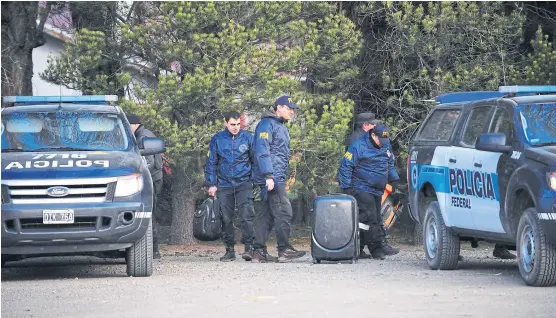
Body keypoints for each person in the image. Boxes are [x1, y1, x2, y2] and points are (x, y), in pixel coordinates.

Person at [251, 96, 307, 263]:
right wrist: (268, 175)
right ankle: (283, 249)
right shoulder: (266, 125)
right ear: (279, 107)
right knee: (284, 211)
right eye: (289, 108)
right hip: (271, 177)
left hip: (276, 176)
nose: (292, 111)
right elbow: (262, 150)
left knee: (267, 215)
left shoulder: (279, 126)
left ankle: (257, 250)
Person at [338, 125, 400, 260]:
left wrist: (394, 180)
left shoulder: (385, 144)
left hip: (377, 189)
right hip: (361, 187)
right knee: (370, 218)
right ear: (373, 135)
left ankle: (358, 248)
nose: (382, 144)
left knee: (375, 219)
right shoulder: (358, 146)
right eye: (380, 141)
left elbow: (389, 164)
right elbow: (345, 167)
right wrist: (347, 188)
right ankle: (376, 250)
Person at [204, 111, 256, 262]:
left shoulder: (248, 138)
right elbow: (211, 162)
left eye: (238, 124)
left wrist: (251, 179)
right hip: (224, 184)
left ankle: (248, 248)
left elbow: (255, 160)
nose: (235, 127)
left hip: (243, 182)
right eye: (232, 124)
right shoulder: (217, 139)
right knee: (226, 218)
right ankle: (229, 250)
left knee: (247, 216)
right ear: (226, 123)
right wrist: (212, 183)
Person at [127, 114, 164, 259]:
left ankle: (154, 250)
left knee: (149, 214)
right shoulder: (144, 134)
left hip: (152, 179)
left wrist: (134, 174)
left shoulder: (143, 137)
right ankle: (153, 249)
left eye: (128, 124)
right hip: (155, 178)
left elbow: (149, 163)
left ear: (134, 124)